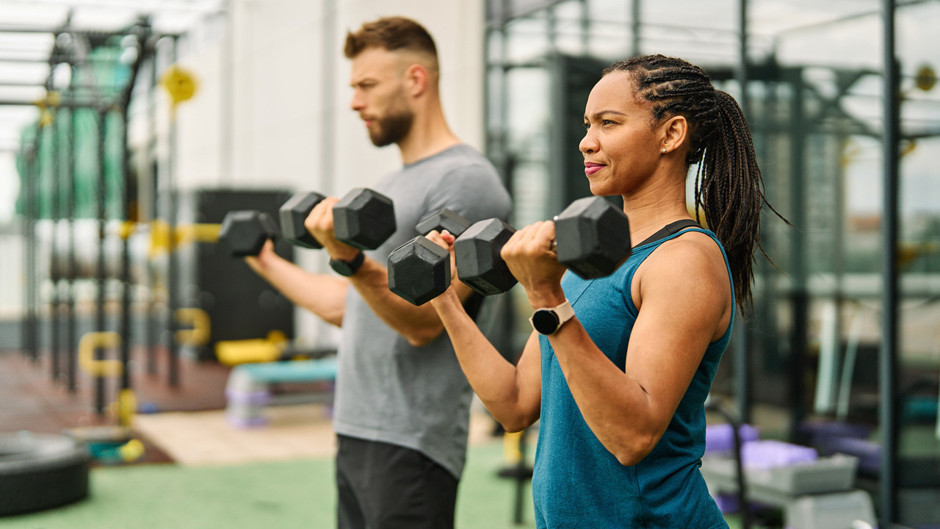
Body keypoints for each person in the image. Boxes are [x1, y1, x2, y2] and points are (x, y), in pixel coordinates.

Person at [426, 54, 780, 528]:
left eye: (608, 123)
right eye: (587, 124)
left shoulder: (684, 260)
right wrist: (445, 299)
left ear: (671, 134)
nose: (586, 141)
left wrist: (547, 298)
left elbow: (634, 437)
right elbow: (513, 403)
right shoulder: (588, 263)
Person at [243, 16, 511, 529]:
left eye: (367, 85)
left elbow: (424, 322)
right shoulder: (394, 180)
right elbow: (354, 307)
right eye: (352, 87)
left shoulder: (467, 181)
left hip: (412, 440)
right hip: (359, 427)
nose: (354, 102)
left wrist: (349, 259)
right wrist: (266, 260)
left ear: (415, 80)